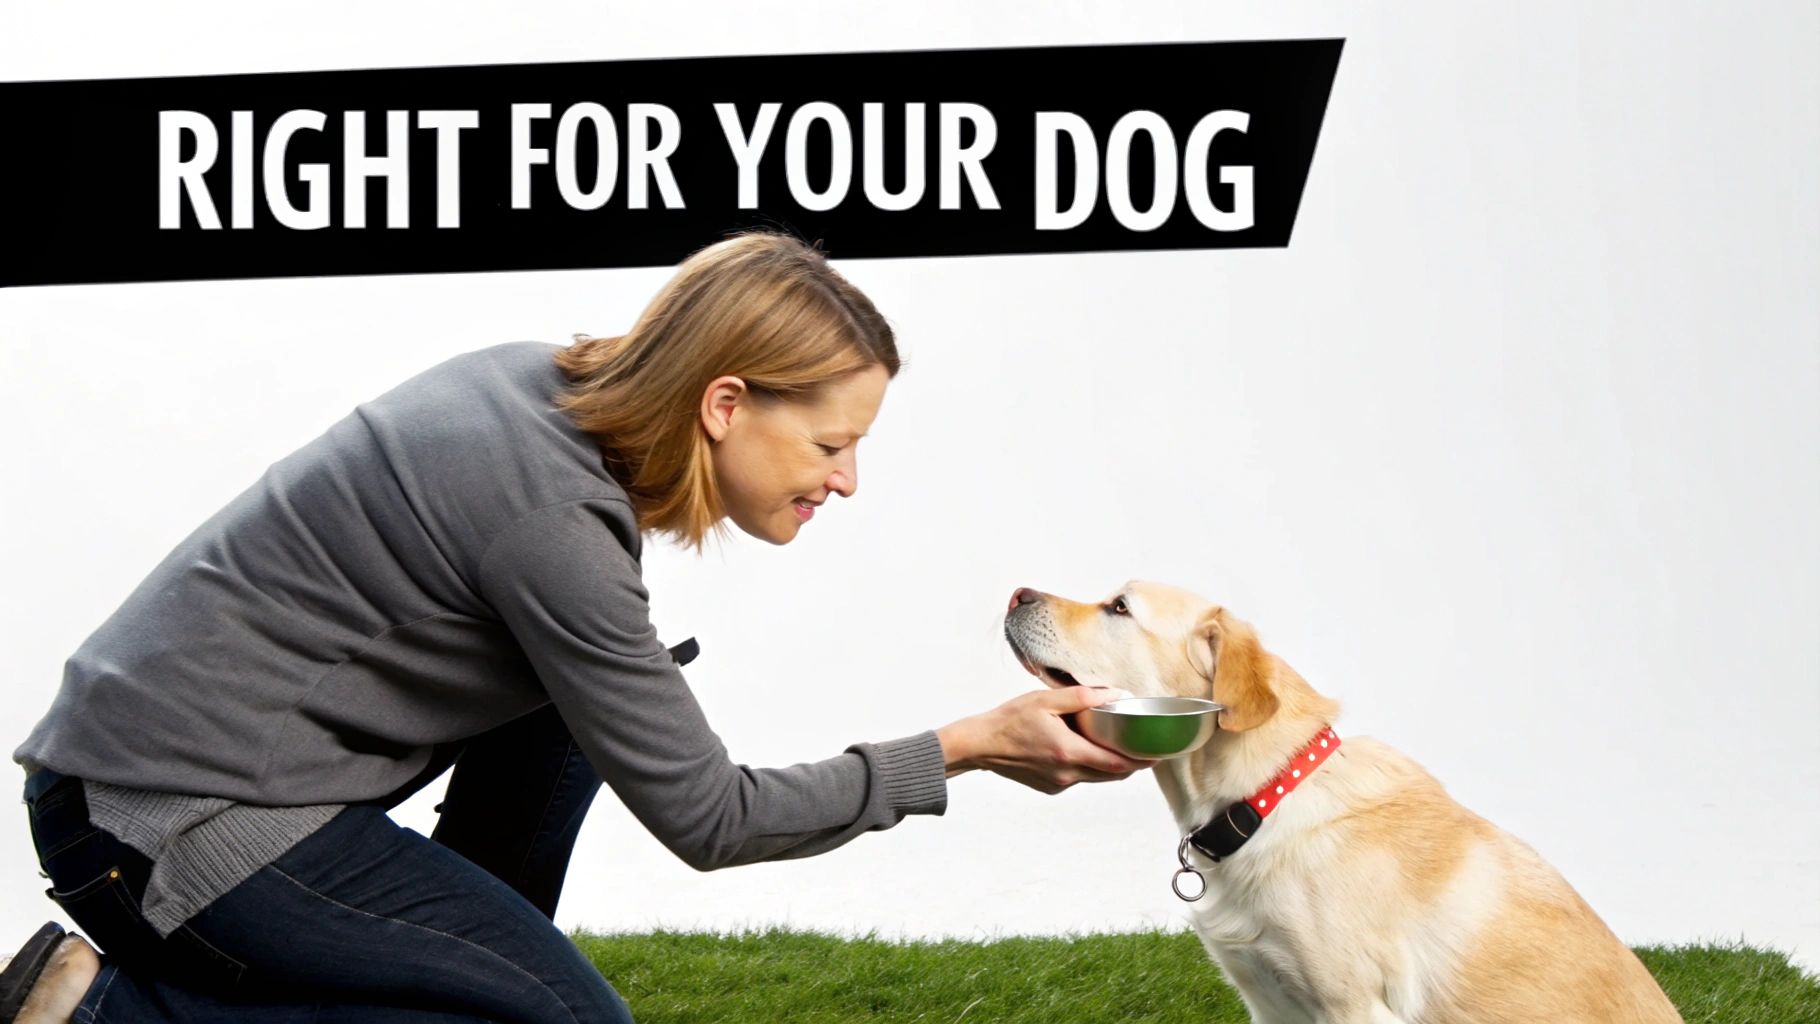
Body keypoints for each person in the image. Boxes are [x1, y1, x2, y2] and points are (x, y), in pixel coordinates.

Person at [0, 230, 1155, 1023]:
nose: (846, 478)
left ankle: (457, 969)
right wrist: (970, 746)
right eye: (828, 443)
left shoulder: (539, 393)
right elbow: (711, 817)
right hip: (161, 825)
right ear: (724, 403)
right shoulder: (552, 517)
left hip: (170, 777)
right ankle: (101, 1009)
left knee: (574, 704)